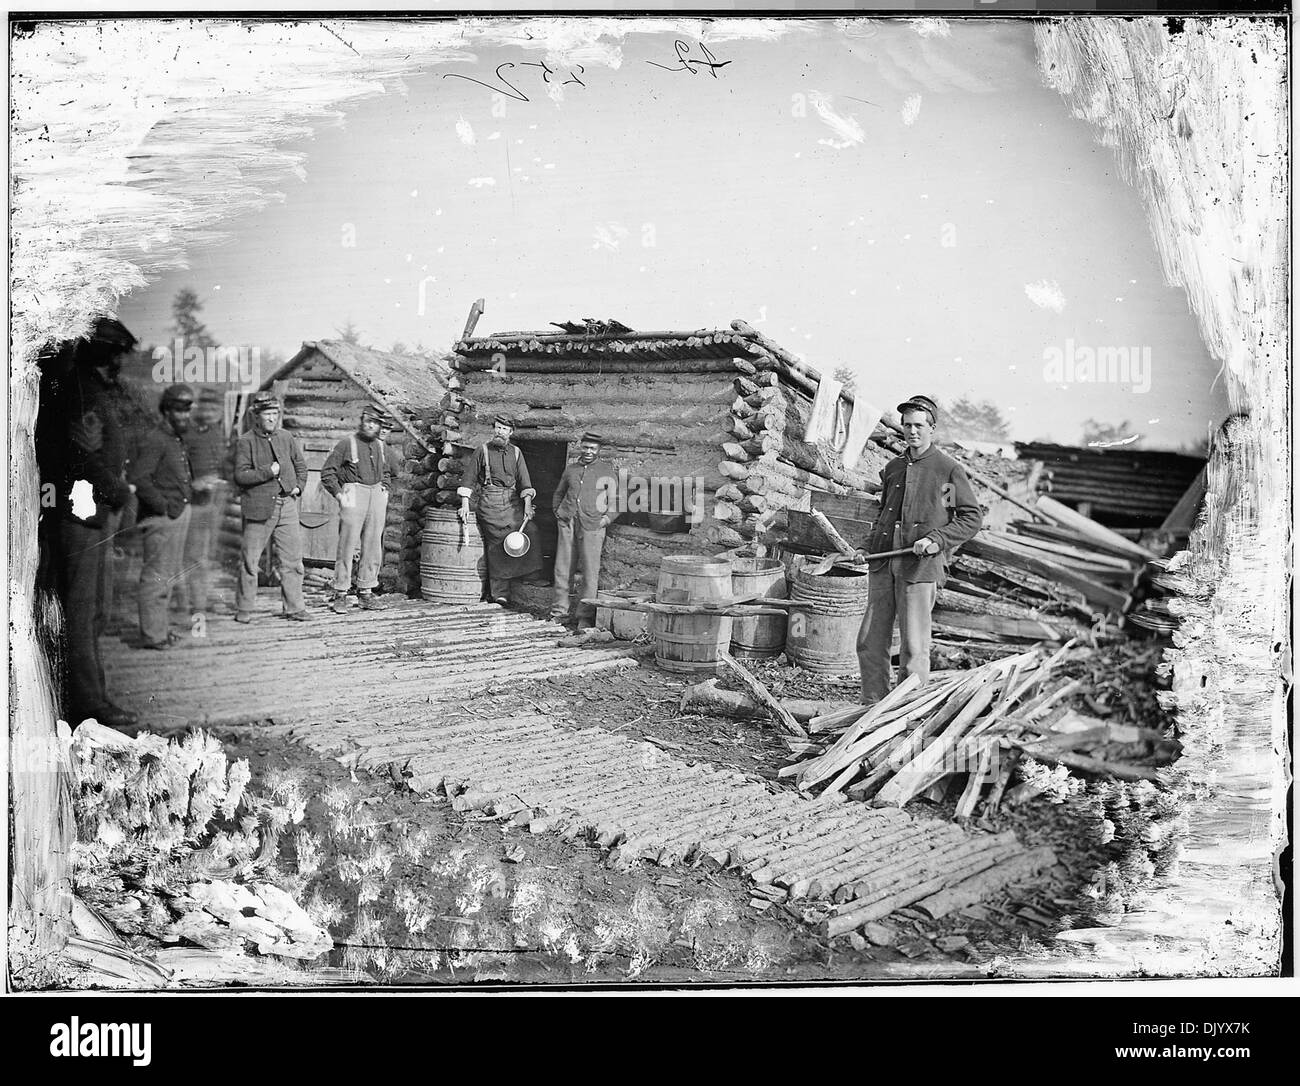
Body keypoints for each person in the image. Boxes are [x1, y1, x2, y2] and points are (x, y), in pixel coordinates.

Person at [41, 317, 140, 725]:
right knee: (83, 612)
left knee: (93, 609)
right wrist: (119, 492)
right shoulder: (82, 391)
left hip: (91, 510)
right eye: (116, 353)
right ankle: (87, 704)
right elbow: (84, 456)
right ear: (104, 353)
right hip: (83, 512)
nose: (119, 362)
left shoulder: (90, 389)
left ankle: (89, 698)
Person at [856, 394, 983, 706]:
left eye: (919, 426)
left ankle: (905, 710)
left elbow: (970, 518)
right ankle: (873, 704)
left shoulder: (947, 472)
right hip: (883, 564)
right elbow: (882, 514)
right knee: (870, 641)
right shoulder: (893, 469)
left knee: (914, 647)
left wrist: (937, 540)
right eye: (907, 425)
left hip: (919, 567)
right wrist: (864, 547)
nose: (912, 431)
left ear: (932, 428)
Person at [232, 391, 310, 623]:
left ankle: (294, 608)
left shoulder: (286, 437)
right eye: (267, 413)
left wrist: (298, 487)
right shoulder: (246, 441)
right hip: (259, 508)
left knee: (293, 560)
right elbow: (240, 476)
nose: (271, 418)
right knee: (250, 561)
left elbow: (301, 466)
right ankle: (244, 609)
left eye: (275, 413)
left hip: (287, 504)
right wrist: (269, 472)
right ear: (256, 416)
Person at [129, 383, 196, 650]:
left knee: (166, 575)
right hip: (163, 518)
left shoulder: (173, 438)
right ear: (166, 411)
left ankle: (159, 631)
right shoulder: (156, 439)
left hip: (176, 515)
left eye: (187, 410)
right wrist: (164, 506)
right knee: (156, 575)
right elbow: (138, 478)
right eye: (179, 411)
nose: (185, 416)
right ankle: (153, 635)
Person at [457, 415, 542, 604]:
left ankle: (528, 575)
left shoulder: (517, 453)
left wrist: (527, 506)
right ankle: (500, 592)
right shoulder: (483, 451)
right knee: (498, 542)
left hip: (512, 504)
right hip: (490, 503)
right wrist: (464, 504)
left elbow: (525, 482)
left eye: (504, 429)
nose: (499, 432)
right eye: (497, 428)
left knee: (530, 531)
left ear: (511, 433)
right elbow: (468, 479)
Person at [321, 404, 392, 614]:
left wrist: (385, 488)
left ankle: (366, 591)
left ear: (379, 426)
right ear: (362, 422)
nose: (370, 426)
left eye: (375, 423)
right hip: (353, 493)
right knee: (347, 544)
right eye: (367, 421)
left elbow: (390, 470)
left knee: (373, 545)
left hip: (376, 495)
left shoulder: (381, 447)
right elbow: (328, 472)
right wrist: (339, 494)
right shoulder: (346, 444)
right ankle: (341, 593)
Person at [551, 432, 617, 626]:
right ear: (580, 447)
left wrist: (606, 519)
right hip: (568, 522)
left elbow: (617, 501)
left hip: (593, 525)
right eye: (585, 447)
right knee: (563, 569)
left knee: (590, 572)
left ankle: (584, 617)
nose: (588, 452)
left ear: (598, 450)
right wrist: (559, 513)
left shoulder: (606, 471)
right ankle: (559, 612)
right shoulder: (571, 470)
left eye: (592, 448)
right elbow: (559, 493)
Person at [179, 387, 229, 617]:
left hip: (213, 501)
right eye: (206, 407)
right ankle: (189, 603)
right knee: (192, 554)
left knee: (207, 554)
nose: (210, 413)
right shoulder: (186, 432)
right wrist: (194, 484)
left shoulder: (216, 433)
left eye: (215, 408)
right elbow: (175, 468)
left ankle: (198, 598)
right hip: (193, 502)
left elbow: (222, 465)